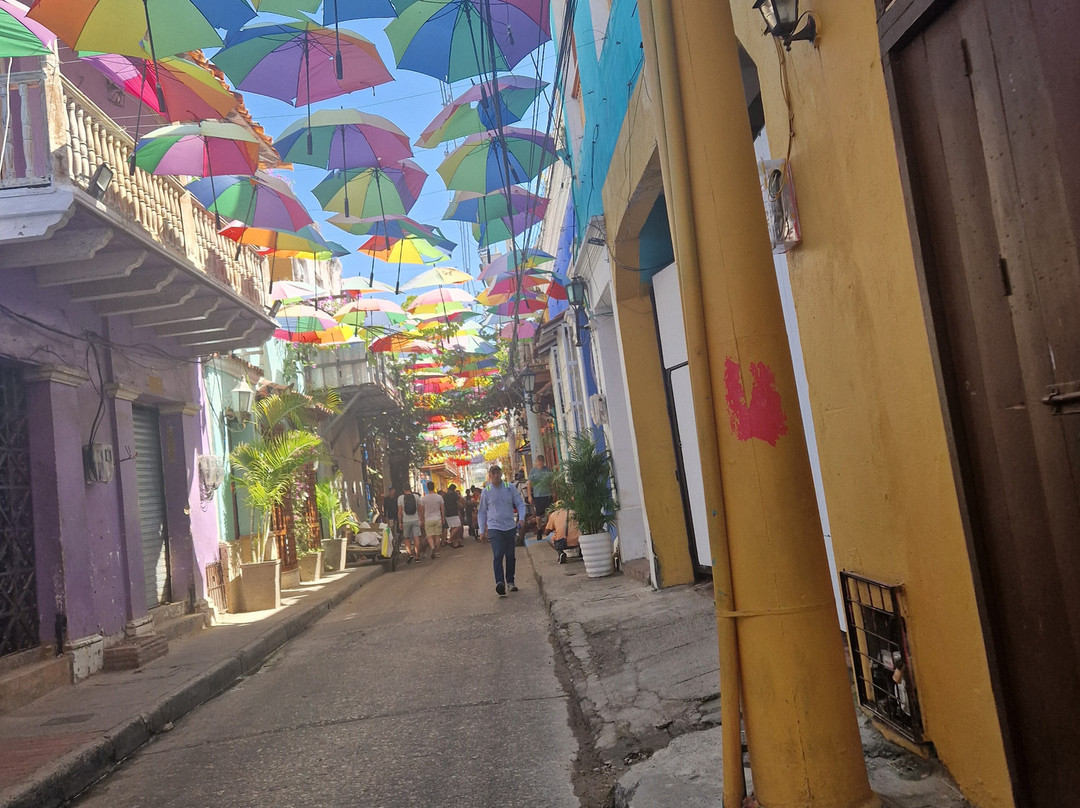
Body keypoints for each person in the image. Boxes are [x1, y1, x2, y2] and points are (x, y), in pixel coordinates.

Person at [478, 464, 527, 596]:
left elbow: (520, 504)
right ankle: (500, 582)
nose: (496, 476)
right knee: (498, 554)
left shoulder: (509, 488)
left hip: (510, 527)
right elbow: (482, 512)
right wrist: (482, 531)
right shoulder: (486, 491)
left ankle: (510, 581)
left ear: (501, 474)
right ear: (490, 476)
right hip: (495, 527)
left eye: (498, 473)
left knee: (510, 555)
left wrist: (521, 518)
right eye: (493, 473)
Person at [528, 456, 554, 541]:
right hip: (538, 496)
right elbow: (529, 484)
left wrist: (553, 491)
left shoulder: (547, 470)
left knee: (550, 514)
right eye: (539, 462)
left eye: (542, 462)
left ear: (544, 462)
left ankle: (549, 530)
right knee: (538, 516)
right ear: (536, 462)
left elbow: (552, 481)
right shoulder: (533, 471)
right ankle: (539, 530)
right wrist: (530, 496)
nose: (540, 463)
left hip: (547, 495)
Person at [419, 481, 444, 559]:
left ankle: (432, 547)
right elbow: (442, 509)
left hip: (428, 519)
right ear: (434, 487)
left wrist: (422, 520)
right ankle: (437, 552)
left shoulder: (424, 498)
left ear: (427, 488)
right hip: (437, 518)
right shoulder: (439, 497)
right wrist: (443, 518)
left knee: (429, 536)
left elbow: (422, 511)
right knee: (437, 536)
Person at [397, 485, 423, 563]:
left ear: (403, 489)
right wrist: (420, 518)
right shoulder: (416, 497)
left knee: (407, 538)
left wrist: (400, 522)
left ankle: (410, 554)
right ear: (410, 489)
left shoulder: (400, 498)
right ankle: (417, 555)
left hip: (406, 521)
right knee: (416, 537)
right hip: (415, 520)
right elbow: (420, 509)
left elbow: (400, 512)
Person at [443, 483, 463, 548]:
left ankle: (455, 543)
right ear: (454, 489)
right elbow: (458, 503)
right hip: (454, 513)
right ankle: (449, 540)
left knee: (453, 528)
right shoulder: (454, 494)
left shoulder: (445, 495)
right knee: (457, 526)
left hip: (447, 514)